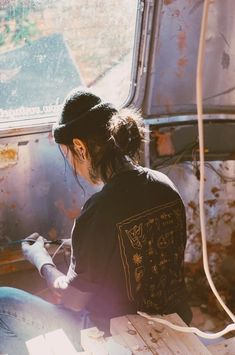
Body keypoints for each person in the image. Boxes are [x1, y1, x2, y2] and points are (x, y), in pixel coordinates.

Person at [0, 88, 192, 354]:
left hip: (118, 337)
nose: (74, 166)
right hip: (175, 319)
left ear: (80, 147)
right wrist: (81, 244)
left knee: (3, 302)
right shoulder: (165, 185)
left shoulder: (98, 210)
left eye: (69, 157)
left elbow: (70, 298)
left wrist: (39, 258)